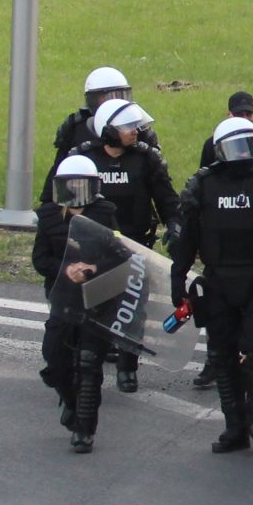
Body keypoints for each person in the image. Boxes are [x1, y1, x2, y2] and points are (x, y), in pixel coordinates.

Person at [170, 118, 253, 455]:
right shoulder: (202, 186)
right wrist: (177, 281)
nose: (244, 155)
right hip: (218, 283)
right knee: (221, 356)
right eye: (236, 147)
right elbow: (187, 240)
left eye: (249, 146)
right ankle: (233, 427)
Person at [83, 97, 178, 393]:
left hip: (136, 246)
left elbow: (167, 199)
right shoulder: (84, 159)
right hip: (94, 250)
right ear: (108, 130)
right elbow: (55, 200)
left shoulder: (147, 159)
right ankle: (89, 366)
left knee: (133, 309)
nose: (136, 130)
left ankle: (128, 368)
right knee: (94, 307)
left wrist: (176, 226)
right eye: (127, 126)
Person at [34, 154, 120, 453]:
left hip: (96, 301)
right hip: (62, 299)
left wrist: (94, 269)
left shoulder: (105, 213)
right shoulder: (48, 216)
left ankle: (85, 428)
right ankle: (69, 401)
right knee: (54, 358)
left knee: (88, 361)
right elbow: (40, 259)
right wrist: (66, 269)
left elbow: (119, 254)